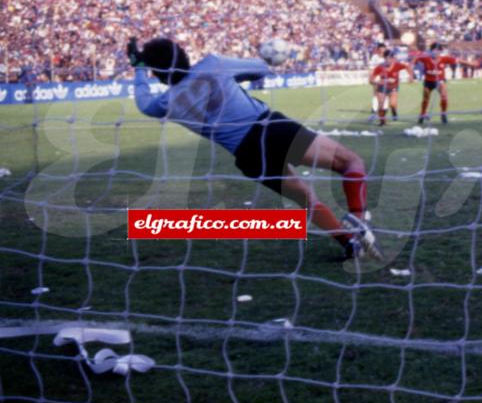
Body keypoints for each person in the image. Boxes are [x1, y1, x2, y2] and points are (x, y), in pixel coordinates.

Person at [126, 37, 380, 261]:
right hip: (270, 129)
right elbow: (260, 69)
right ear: (183, 54)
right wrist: (237, 76)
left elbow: (143, 103)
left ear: (155, 73)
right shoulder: (213, 65)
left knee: (306, 199)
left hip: (248, 155)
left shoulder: (164, 103)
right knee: (350, 162)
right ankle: (358, 215)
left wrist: (138, 69)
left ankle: (348, 242)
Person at [411, 42, 474, 125]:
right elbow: (415, 59)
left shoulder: (444, 59)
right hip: (428, 81)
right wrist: (412, 66)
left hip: (440, 80)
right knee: (426, 99)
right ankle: (422, 114)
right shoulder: (425, 58)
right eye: (435, 50)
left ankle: (443, 114)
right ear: (431, 50)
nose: (436, 52)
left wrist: (471, 64)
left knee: (444, 96)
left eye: (438, 50)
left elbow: (458, 60)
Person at [369, 49, 407, 126]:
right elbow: (371, 79)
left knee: (392, 104)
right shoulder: (379, 67)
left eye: (391, 58)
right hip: (382, 87)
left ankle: (394, 111)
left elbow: (407, 67)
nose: (390, 60)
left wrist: (411, 76)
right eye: (388, 58)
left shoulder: (397, 65)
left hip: (393, 87)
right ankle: (382, 121)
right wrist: (377, 82)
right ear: (385, 58)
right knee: (381, 104)